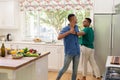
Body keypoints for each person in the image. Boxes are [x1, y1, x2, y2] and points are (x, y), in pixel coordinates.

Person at [56, 14, 80, 80]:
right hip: (69, 52)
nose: (76, 19)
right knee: (64, 68)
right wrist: (69, 32)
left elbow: (77, 35)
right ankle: (57, 78)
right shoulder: (65, 28)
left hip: (77, 52)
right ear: (72, 20)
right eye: (75, 18)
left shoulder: (76, 27)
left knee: (75, 71)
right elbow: (59, 37)